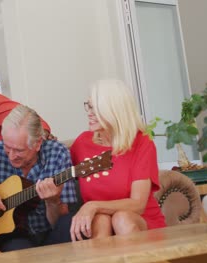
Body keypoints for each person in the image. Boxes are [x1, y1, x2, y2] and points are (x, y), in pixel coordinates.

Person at [0, 105, 78, 251]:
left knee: (68, 224)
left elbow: (58, 222)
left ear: (38, 143)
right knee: (18, 250)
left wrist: (53, 202)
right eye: (7, 147)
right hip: (14, 238)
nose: (12, 156)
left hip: (48, 231)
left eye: (19, 150)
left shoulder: (57, 153)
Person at [69, 79, 166, 241]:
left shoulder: (142, 143)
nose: (89, 112)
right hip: (100, 225)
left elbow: (138, 204)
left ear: (113, 110)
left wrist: (93, 206)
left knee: (121, 219)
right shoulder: (82, 144)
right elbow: (59, 176)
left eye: (95, 108)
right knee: (101, 219)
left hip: (140, 224)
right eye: (88, 106)